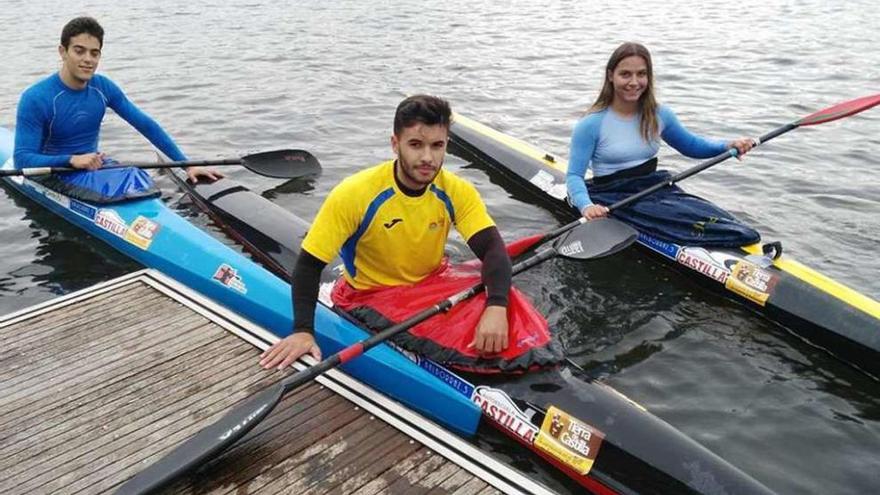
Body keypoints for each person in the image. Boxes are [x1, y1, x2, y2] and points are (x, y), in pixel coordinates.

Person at [260, 95, 513, 370]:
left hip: (430, 285)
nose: (427, 157)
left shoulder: (457, 191)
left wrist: (496, 306)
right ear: (395, 144)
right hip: (371, 296)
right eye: (416, 145)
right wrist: (303, 331)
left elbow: (493, 249)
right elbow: (309, 265)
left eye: (437, 145)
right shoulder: (355, 193)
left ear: (446, 146)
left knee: (511, 304)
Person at [566, 42, 759, 247]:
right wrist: (587, 206)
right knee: (696, 224)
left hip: (653, 187)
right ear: (611, 75)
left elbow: (692, 146)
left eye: (641, 74)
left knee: (726, 221)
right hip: (613, 195)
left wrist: (727, 146)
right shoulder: (591, 124)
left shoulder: (659, 114)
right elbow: (574, 175)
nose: (634, 82)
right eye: (625, 74)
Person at [13, 16, 220, 186]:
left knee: (142, 181)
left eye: (94, 53)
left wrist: (187, 165)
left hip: (92, 167)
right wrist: (72, 160)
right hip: (52, 173)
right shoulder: (36, 98)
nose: (88, 59)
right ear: (63, 52)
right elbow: (22, 159)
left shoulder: (103, 87)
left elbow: (146, 125)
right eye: (79, 50)